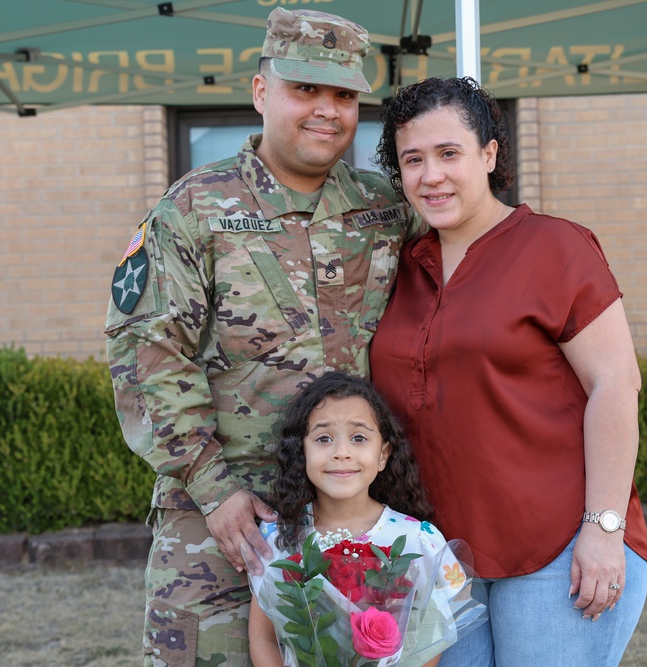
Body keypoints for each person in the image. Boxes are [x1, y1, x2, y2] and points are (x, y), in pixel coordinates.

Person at [104, 8, 421, 666]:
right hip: (224, 527)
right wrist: (214, 490)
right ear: (260, 92)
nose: (326, 110)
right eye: (305, 89)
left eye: (342, 94)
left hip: (353, 517)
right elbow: (149, 360)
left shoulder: (386, 213)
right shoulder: (193, 210)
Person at [369, 76, 647, 666]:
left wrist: (602, 529)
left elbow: (614, 384)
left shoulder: (556, 248)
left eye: (449, 153)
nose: (432, 176)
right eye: (413, 160)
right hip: (437, 556)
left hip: (557, 546)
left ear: (490, 153)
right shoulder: (396, 267)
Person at [246, 372, 485, 667]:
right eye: (323, 438)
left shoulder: (418, 539)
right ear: (301, 452)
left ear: (383, 454)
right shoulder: (277, 536)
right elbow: (263, 637)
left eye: (358, 438)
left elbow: (429, 640)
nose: (341, 453)